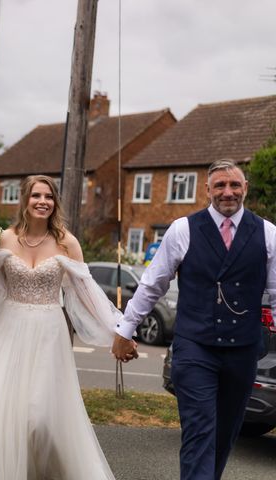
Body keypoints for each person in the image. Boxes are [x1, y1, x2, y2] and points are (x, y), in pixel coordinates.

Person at [112, 159, 276, 480]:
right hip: (194, 349)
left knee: (225, 433)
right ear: (207, 190)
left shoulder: (268, 233)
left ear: (245, 188)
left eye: (234, 185)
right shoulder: (183, 229)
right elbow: (152, 283)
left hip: (242, 352)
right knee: (200, 430)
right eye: (220, 185)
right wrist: (125, 329)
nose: (227, 192)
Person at [0, 175, 125, 480]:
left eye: (48, 196)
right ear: (25, 200)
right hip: (8, 329)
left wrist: (120, 330)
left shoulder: (66, 243)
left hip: (49, 331)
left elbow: (87, 293)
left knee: (40, 418)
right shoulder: (3, 238)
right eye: (36, 196)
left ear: (55, 202)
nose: (42, 201)